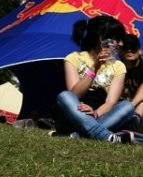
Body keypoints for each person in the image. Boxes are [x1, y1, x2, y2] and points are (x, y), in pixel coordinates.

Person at [53, 15, 135, 143]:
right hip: (73, 115)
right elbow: (75, 94)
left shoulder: (119, 66)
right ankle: (105, 136)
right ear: (102, 39)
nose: (121, 43)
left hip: (99, 115)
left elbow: (110, 102)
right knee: (64, 96)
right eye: (116, 39)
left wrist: (95, 113)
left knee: (127, 106)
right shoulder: (73, 58)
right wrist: (95, 68)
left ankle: (78, 135)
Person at [117, 34, 143, 131]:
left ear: (140, 51)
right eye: (125, 48)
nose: (129, 50)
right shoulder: (116, 67)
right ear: (120, 51)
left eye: (133, 48)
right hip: (121, 110)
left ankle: (134, 121)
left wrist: (130, 106)